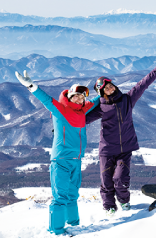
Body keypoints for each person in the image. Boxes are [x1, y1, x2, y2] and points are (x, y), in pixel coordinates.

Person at [15, 71, 100, 235]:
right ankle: (57, 231)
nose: (80, 99)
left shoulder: (82, 111)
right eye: (76, 96)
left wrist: (104, 93)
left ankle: (74, 226)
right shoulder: (61, 110)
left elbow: (94, 101)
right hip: (61, 160)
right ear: (69, 96)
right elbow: (46, 100)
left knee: (73, 195)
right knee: (60, 196)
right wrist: (31, 86)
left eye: (82, 97)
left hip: (76, 160)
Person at [86, 59, 156, 216]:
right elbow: (80, 120)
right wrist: (61, 124)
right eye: (106, 88)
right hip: (106, 150)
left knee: (120, 179)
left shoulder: (127, 100)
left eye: (111, 85)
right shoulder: (101, 108)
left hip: (125, 149)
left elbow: (142, 85)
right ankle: (109, 207)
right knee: (106, 181)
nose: (110, 89)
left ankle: (124, 201)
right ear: (101, 93)